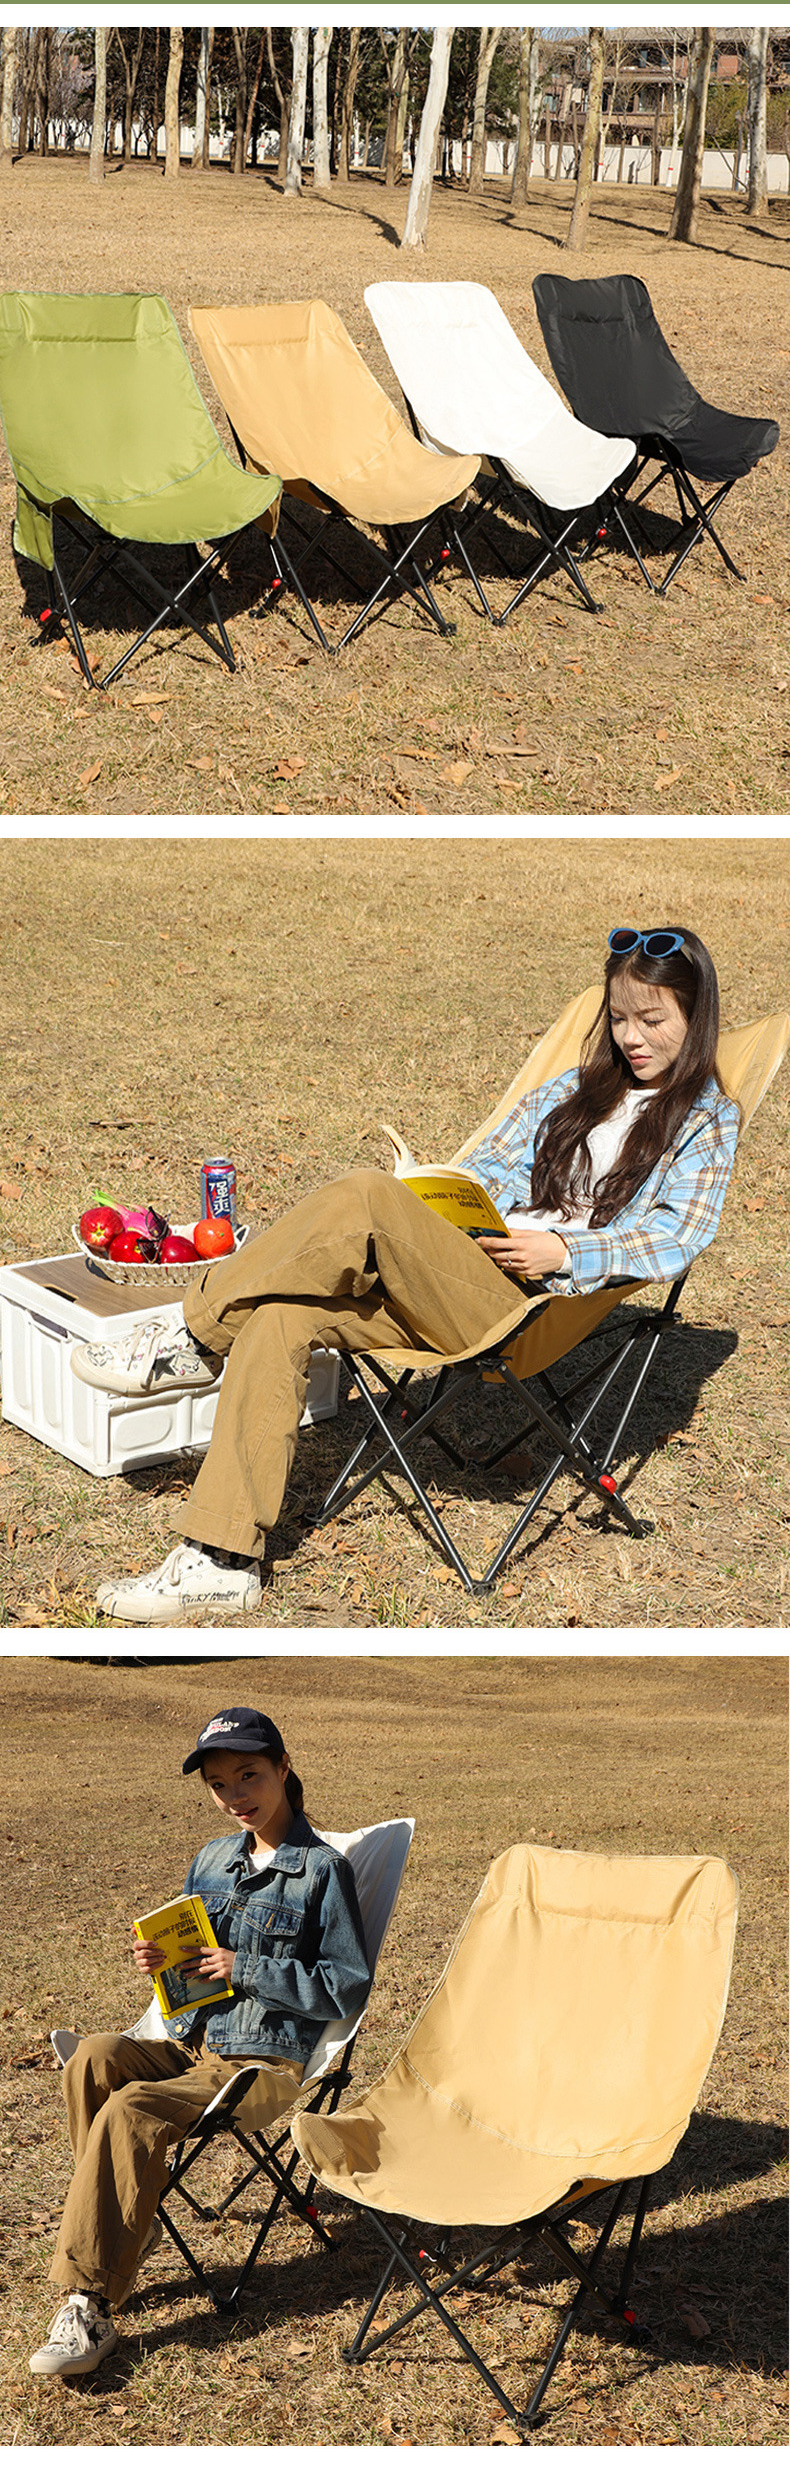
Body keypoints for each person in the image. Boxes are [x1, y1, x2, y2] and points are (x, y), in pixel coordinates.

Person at [79, 924, 740, 1622]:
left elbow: (679, 1236)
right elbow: (483, 1171)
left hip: (527, 1307)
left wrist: (566, 1251)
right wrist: (438, 1198)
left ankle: (192, 1334)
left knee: (366, 1196)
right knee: (278, 1316)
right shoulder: (573, 1092)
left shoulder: (707, 1120)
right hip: (454, 1270)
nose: (631, 1037)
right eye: (619, 1018)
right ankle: (220, 1560)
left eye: (652, 1020)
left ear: (695, 1017)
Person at [30, 1707, 371, 2381]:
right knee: (93, 2058)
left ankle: (88, 2301)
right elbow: (191, 1965)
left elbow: (346, 1988)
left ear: (283, 1767)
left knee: (131, 2108)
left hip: (260, 2062)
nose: (235, 1795)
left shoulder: (321, 1871)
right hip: (193, 2043)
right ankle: (128, 2222)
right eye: (219, 1784)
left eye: (249, 1775)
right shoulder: (212, 1859)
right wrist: (161, 1961)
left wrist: (245, 1967)